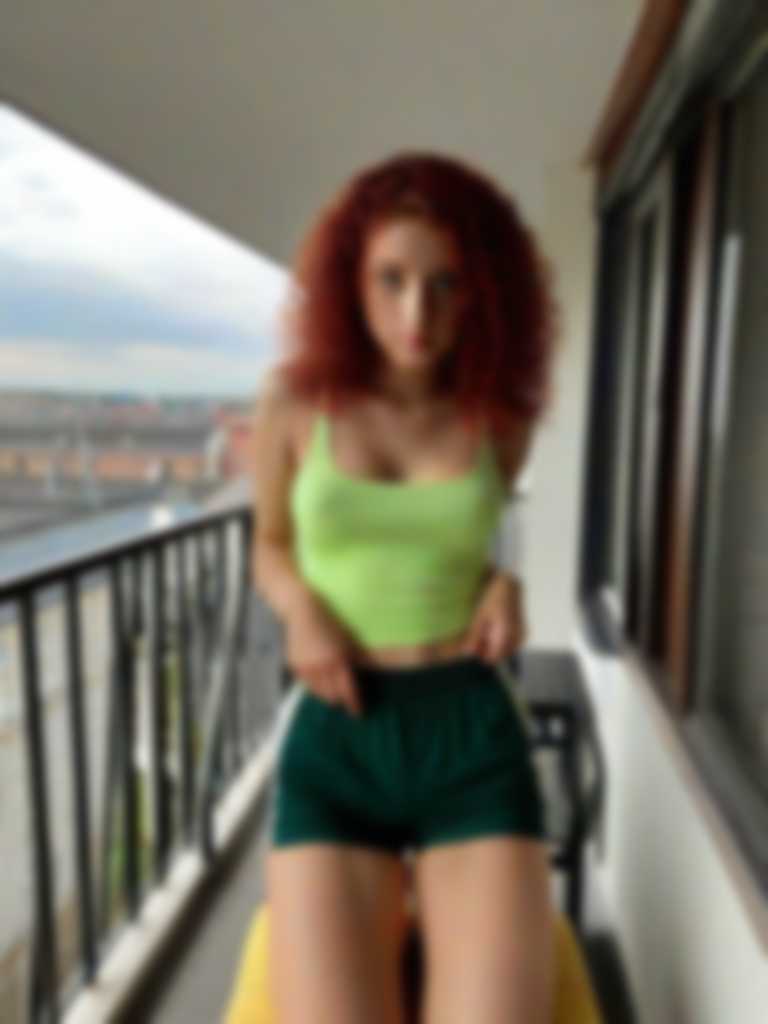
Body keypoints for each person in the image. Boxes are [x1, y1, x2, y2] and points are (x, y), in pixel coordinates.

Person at [250, 151, 561, 1024]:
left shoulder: (501, 417)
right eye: (391, 280)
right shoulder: (295, 402)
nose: (416, 314)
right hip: (338, 735)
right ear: (349, 280)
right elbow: (269, 544)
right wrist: (300, 607)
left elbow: (453, 548)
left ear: (485, 292)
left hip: (470, 732)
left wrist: (503, 582)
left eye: (446, 284)